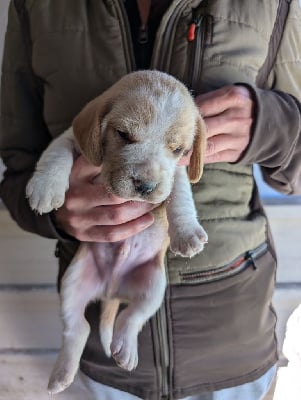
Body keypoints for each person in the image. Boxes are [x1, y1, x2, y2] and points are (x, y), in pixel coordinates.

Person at [1, 0, 301, 399]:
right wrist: (54, 214)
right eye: (125, 134)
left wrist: (273, 127)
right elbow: (18, 167)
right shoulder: (38, 6)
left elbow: (293, 174)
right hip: (107, 363)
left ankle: (129, 318)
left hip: (231, 342)